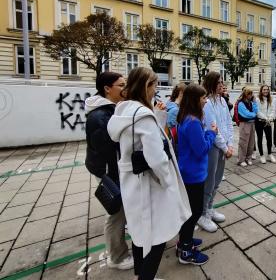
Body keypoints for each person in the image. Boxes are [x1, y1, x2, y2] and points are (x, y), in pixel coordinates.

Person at [107, 67, 191, 280]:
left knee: (139, 234)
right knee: (156, 238)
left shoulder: (124, 110)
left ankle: (142, 276)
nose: (156, 90)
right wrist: (168, 181)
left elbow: (140, 140)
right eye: (154, 85)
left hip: (133, 183)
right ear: (147, 86)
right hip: (150, 187)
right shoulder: (143, 116)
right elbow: (157, 158)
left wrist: (158, 116)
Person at [85, 72, 134, 271]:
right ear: (107, 88)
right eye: (121, 85)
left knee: (120, 212)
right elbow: (111, 148)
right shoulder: (100, 115)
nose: (125, 88)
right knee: (116, 213)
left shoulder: (111, 110)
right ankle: (117, 256)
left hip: (114, 169)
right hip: (109, 171)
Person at [176, 83, 217, 265]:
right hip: (193, 173)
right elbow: (201, 150)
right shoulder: (192, 122)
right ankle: (185, 251)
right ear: (195, 100)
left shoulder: (188, 117)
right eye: (203, 98)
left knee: (191, 211)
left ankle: (185, 241)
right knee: (194, 212)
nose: (206, 101)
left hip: (190, 171)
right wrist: (211, 133)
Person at [199, 72, 234, 233]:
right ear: (212, 83)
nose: (221, 84)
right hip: (214, 146)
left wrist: (230, 144)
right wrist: (225, 147)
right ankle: (203, 213)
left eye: (222, 81)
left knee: (218, 179)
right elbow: (212, 127)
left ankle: (210, 207)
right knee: (209, 180)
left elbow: (228, 123)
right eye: (219, 82)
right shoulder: (207, 103)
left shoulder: (221, 101)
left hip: (224, 146)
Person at [255, 85, 276, 164]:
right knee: (260, 138)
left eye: (267, 89)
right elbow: (257, 111)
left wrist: (270, 118)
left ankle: (270, 154)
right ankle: (261, 155)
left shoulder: (271, 99)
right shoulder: (257, 99)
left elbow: (273, 110)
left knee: (269, 138)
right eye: (264, 89)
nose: (266, 91)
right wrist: (266, 118)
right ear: (261, 90)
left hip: (268, 122)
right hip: (260, 121)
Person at [237, 87, 258, 166]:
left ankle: (248, 158)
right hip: (244, 124)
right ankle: (241, 159)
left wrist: (255, 102)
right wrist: (254, 115)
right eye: (249, 93)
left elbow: (256, 110)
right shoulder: (241, 103)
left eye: (251, 93)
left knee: (251, 142)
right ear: (245, 94)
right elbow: (246, 114)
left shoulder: (251, 102)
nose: (251, 95)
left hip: (252, 124)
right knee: (243, 142)